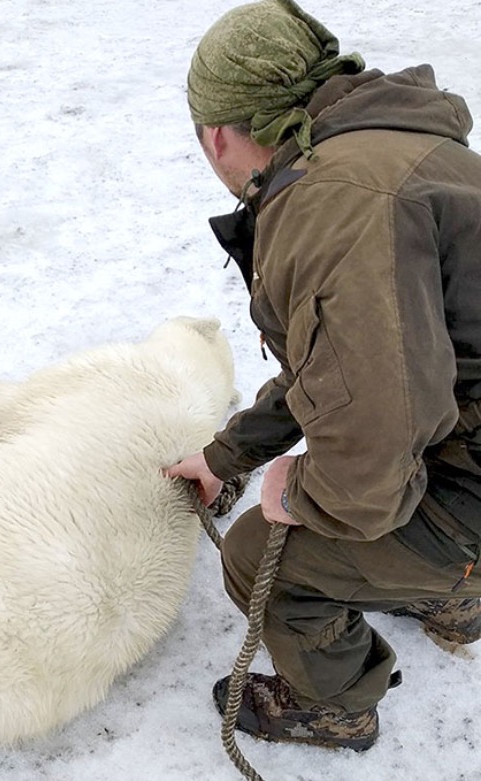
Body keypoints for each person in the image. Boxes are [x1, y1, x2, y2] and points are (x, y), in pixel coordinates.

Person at [166, 0, 481, 752]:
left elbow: (368, 461)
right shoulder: (394, 144)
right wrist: (225, 456)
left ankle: (336, 705)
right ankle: (456, 596)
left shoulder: (333, 205)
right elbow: (341, 364)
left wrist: (297, 491)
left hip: (467, 478)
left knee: (258, 559)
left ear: (217, 134)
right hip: (464, 441)